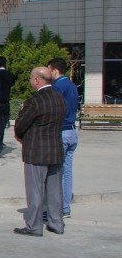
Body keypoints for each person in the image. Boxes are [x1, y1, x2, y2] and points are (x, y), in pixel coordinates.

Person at [12, 67, 67, 236]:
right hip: (55, 149)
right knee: (55, 191)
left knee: (35, 190)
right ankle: (56, 223)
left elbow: (21, 124)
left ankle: (34, 226)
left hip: (36, 151)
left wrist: (20, 136)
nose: (30, 81)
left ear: (37, 80)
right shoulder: (59, 97)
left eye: (31, 78)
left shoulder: (35, 101)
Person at [48, 57, 79, 219]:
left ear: (55, 70)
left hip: (61, 132)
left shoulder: (58, 87)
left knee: (56, 173)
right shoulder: (72, 85)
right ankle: (65, 208)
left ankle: (56, 209)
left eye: (49, 70)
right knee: (67, 172)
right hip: (72, 131)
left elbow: (52, 110)